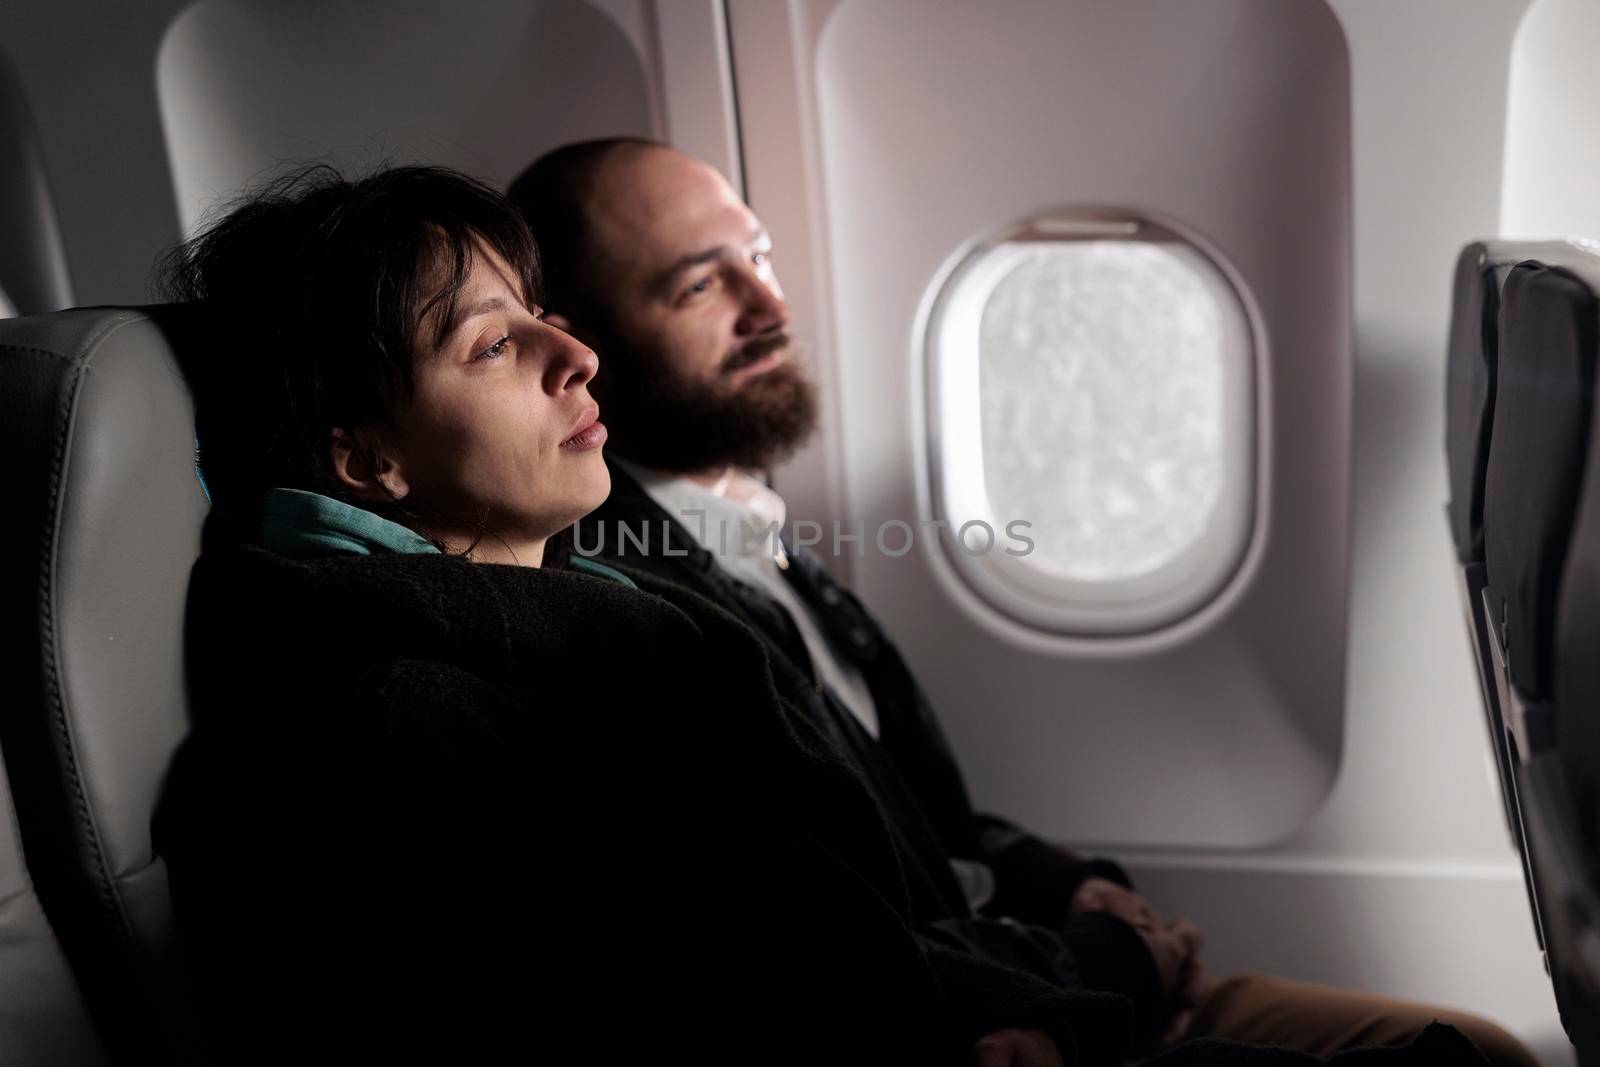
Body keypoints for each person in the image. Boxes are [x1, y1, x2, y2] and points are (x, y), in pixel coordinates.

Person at [506, 138, 1538, 1067]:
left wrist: (1070, 880)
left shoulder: (750, 533)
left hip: (1040, 964)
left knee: (1475, 1047)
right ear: (583, 340)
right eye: (700, 285)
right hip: (1000, 1004)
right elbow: (837, 942)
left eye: (760, 255)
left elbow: (925, 825)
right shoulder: (641, 600)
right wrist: (1109, 954)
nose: (770, 305)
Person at [149, 163, 1130, 1066]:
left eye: (540, 314)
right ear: (368, 461)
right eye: (493, 343)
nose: (576, 354)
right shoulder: (396, 728)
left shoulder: (617, 613)